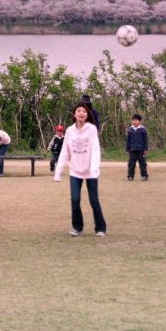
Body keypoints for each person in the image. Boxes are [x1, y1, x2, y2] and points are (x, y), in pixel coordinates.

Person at [54, 102, 107, 237]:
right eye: (79, 111)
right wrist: (58, 172)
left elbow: (95, 150)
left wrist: (94, 169)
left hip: (90, 171)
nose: (81, 113)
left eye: (84, 111)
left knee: (94, 200)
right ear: (74, 114)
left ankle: (100, 228)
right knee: (75, 199)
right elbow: (65, 152)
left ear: (87, 114)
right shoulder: (70, 131)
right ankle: (77, 227)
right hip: (75, 170)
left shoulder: (92, 129)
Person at [126, 114, 149, 181]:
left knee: (143, 164)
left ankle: (144, 176)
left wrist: (145, 149)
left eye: (136, 120)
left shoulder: (143, 130)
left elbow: (146, 140)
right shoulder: (130, 130)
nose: (135, 122)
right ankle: (130, 176)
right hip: (132, 150)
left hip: (141, 150)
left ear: (140, 121)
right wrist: (127, 149)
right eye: (133, 120)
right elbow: (128, 140)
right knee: (131, 164)